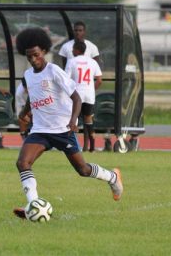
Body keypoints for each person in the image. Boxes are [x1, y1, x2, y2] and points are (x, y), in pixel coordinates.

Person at [12, 28, 123, 219]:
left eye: (36, 55)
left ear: (45, 51)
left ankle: (112, 177)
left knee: (83, 170)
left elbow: (77, 97)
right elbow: (35, 96)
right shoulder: (29, 75)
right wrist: (24, 112)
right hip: (40, 130)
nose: (33, 60)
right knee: (23, 163)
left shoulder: (55, 71)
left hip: (63, 130)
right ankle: (33, 203)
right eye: (29, 56)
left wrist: (73, 121)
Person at [65, 40, 102, 152]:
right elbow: (99, 80)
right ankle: (92, 148)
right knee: (88, 120)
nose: (72, 51)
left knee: (73, 118)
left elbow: (66, 80)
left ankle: (72, 145)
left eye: (73, 49)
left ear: (77, 50)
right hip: (89, 95)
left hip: (77, 96)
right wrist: (92, 89)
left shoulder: (72, 61)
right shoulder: (92, 62)